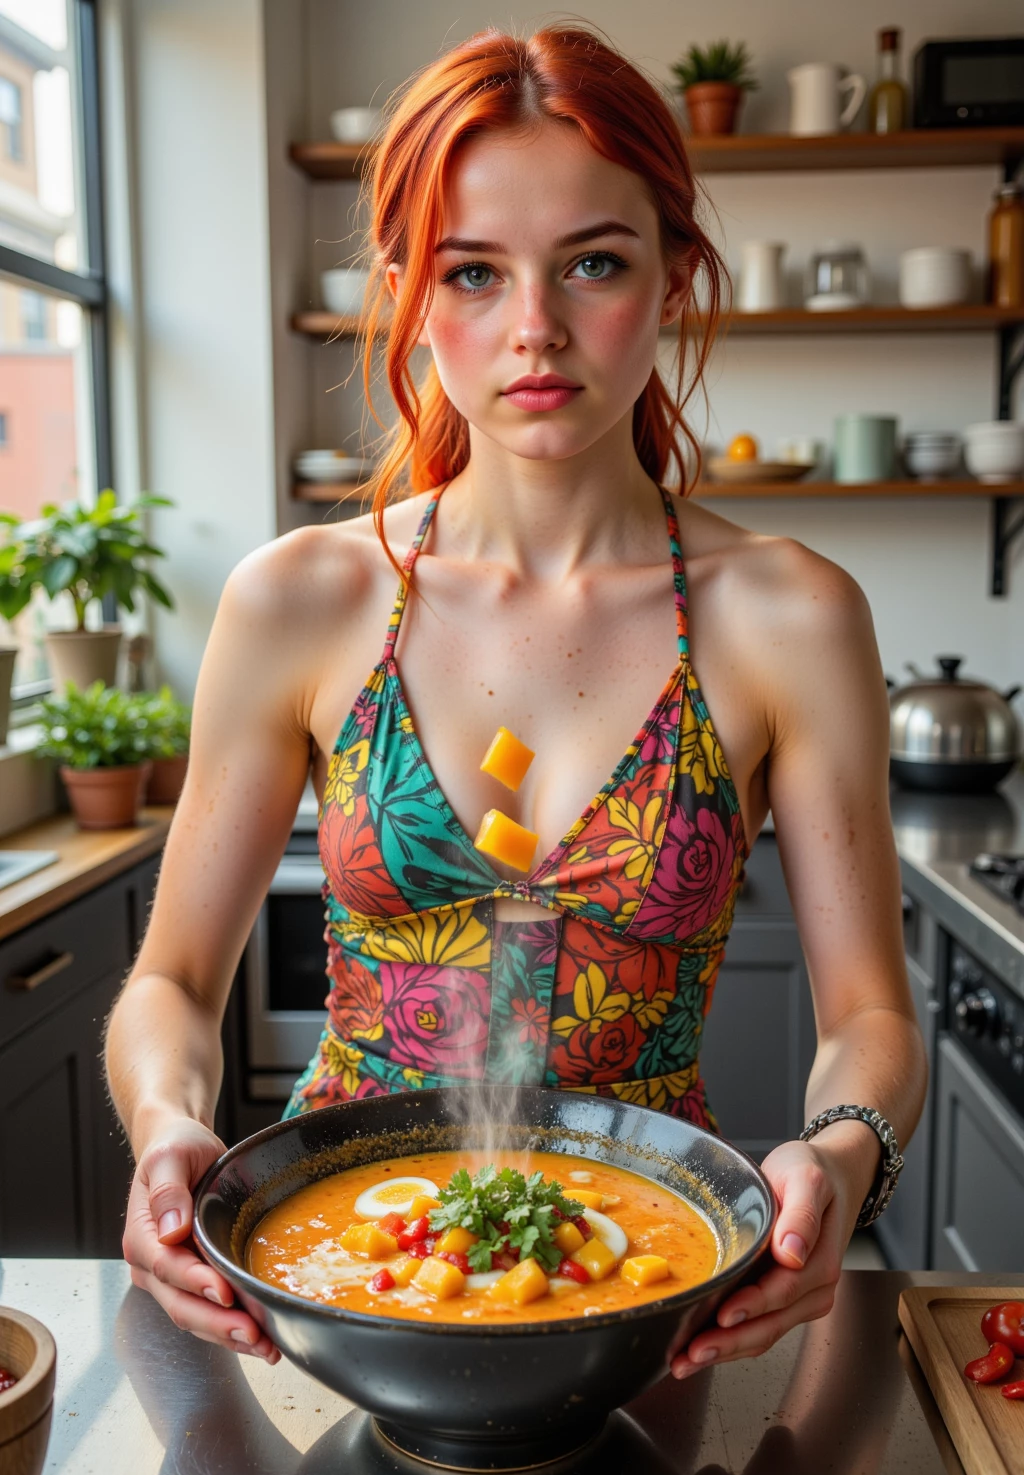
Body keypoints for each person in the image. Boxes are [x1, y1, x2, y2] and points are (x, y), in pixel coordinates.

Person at [105, 23, 927, 1380]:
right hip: (332, 1278)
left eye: (593, 262)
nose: (534, 326)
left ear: (673, 278)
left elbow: (869, 1020)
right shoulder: (299, 599)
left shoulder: (794, 615)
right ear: (410, 297)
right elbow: (174, 985)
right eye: (473, 272)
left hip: (657, 1298)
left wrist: (842, 1154)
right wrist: (164, 1125)